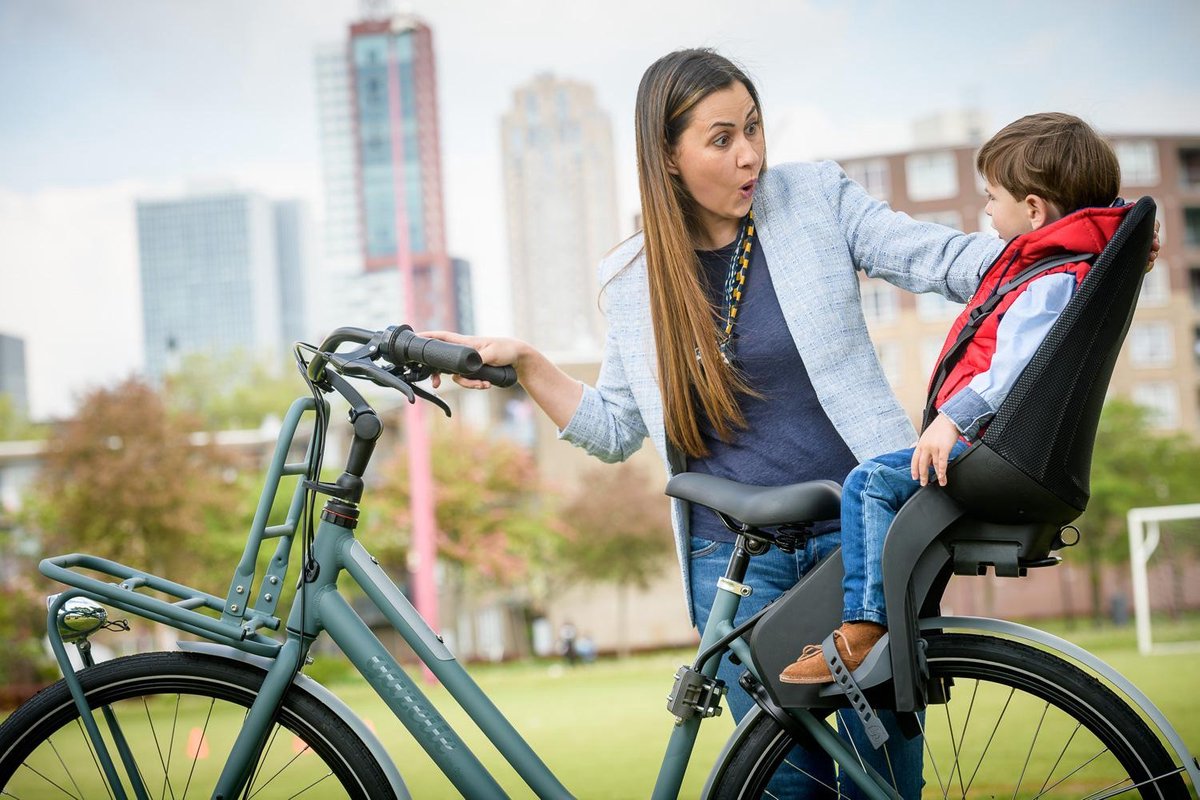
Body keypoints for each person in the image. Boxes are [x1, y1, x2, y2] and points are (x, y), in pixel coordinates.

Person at [425, 52, 1153, 797]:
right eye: (720, 139)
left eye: (753, 128)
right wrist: (526, 363)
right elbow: (615, 429)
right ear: (667, 159)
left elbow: (953, 261)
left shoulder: (812, 198)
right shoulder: (633, 281)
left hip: (859, 535)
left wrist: (1086, 241)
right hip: (733, 563)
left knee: (884, 781)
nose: (749, 155)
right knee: (786, 787)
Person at [778, 112, 1127, 686]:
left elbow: (1015, 370)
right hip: (1003, 449)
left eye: (993, 198)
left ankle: (863, 632)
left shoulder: (1047, 282)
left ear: (1035, 210)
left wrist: (950, 420)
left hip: (991, 447)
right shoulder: (1060, 267)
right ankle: (897, 621)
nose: (987, 211)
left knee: (869, 484)